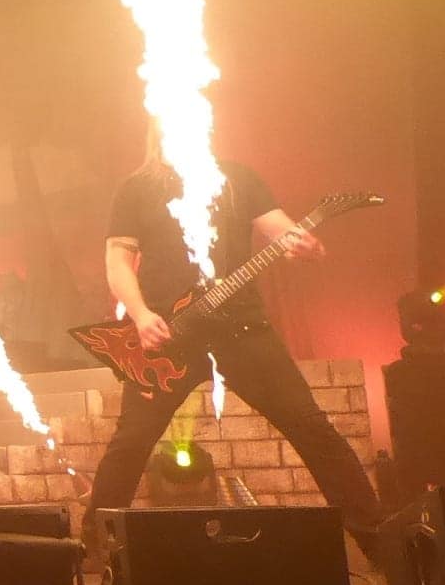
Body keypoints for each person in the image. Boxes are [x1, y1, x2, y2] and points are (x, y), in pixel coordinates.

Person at [84, 128, 384, 554]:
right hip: (169, 336)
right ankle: (95, 551)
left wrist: (300, 243)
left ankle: (381, 544)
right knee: (131, 442)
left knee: (312, 427)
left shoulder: (237, 178)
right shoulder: (137, 189)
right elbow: (117, 260)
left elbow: (279, 228)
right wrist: (141, 314)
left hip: (242, 329)